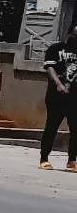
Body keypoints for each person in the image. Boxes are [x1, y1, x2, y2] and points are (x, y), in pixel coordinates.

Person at [40, 27, 77, 170]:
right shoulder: (55, 49)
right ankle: (44, 159)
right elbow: (50, 68)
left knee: (75, 129)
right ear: (69, 35)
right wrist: (59, 84)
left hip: (74, 96)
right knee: (51, 127)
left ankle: (72, 161)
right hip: (56, 97)